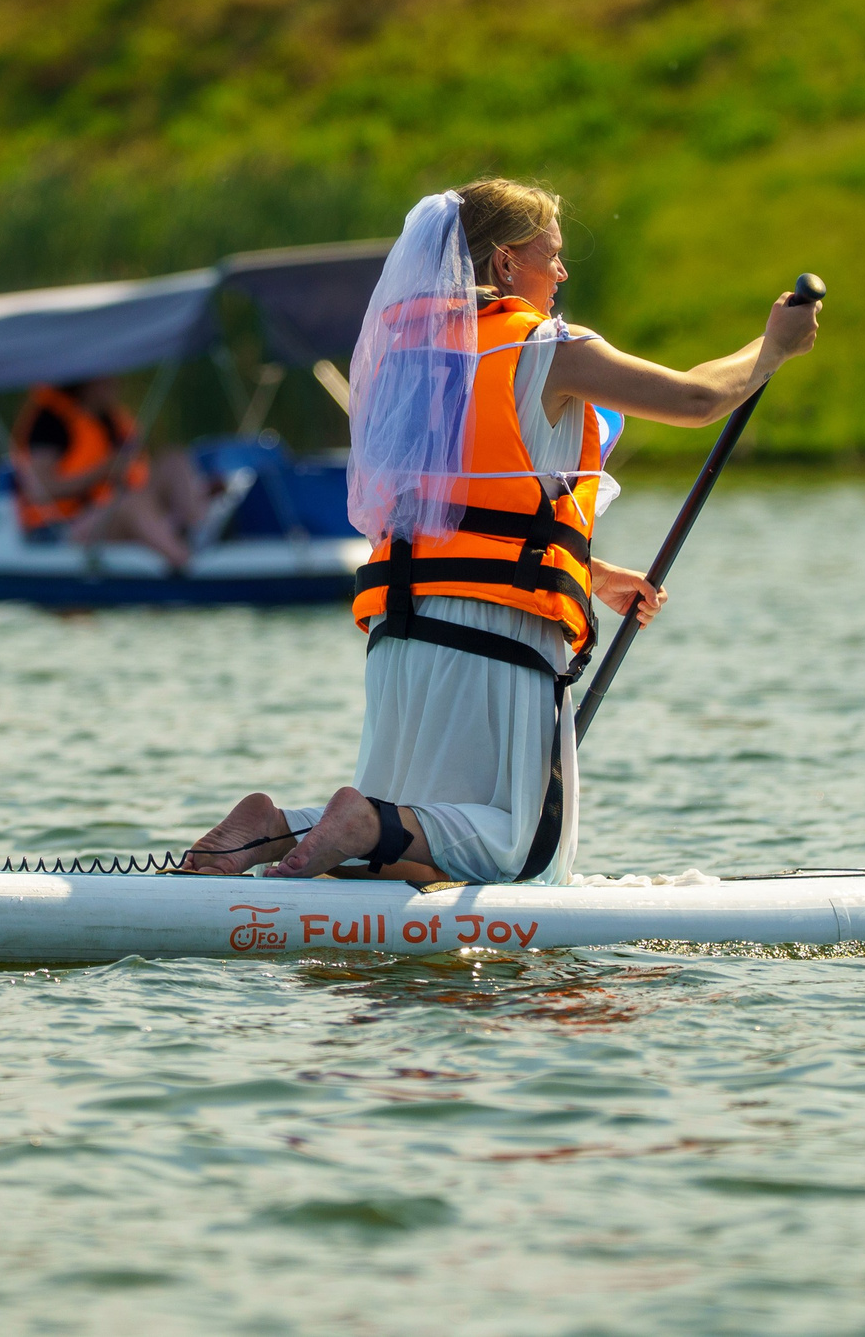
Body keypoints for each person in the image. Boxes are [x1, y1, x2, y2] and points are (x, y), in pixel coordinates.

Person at [185, 179, 822, 885]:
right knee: (521, 849)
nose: (563, 274)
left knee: (415, 825)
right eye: (553, 255)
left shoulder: (408, 363)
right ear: (506, 264)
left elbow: (454, 511)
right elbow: (699, 397)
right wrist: (772, 350)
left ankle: (281, 827)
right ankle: (352, 821)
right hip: (499, 634)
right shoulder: (549, 348)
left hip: (398, 634)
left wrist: (592, 572)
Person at [9, 377, 215, 569]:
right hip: (63, 529)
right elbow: (39, 491)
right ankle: (188, 565)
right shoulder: (49, 423)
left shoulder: (112, 420)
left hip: (118, 507)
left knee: (173, 460)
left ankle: (201, 530)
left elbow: (138, 476)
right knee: (131, 504)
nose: (117, 382)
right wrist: (104, 471)